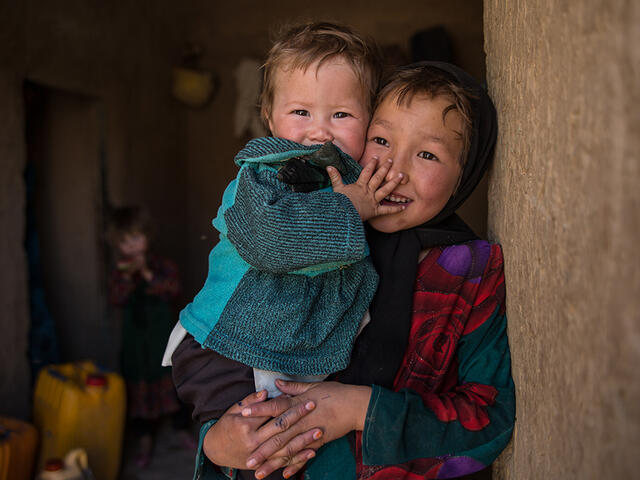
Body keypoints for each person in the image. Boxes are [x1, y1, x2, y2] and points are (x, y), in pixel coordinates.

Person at [172, 61, 515, 480]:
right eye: (381, 139)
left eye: (427, 153)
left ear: (468, 173)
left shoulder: (469, 275)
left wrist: (359, 409)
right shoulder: (316, 231)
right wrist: (217, 443)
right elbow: (235, 362)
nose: (394, 169)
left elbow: (489, 416)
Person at [164, 21, 405, 400]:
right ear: (270, 117)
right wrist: (349, 207)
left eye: (341, 115)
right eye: (301, 112)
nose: (321, 131)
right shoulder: (267, 176)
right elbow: (272, 239)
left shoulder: (353, 182)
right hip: (230, 351)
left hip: (288, 360)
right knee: (253, 447)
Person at [107, 206, 195, 468]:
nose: (131, 246)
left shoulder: (163, 266)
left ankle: (180, 430)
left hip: (161, 337)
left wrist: (146, 273)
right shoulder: (120, 272)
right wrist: (127, 277)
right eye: (125, 241)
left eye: (136, 238)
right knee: (138, 385)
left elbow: (173, 290)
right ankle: (144, 438)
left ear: (147, 237)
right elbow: (116, 298)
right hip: (136, 343)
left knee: (170, 379)